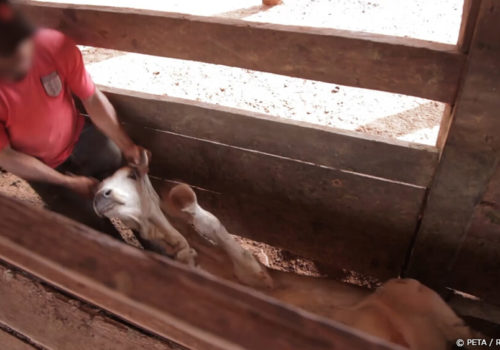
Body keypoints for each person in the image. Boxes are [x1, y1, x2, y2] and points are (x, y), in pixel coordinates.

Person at [0, 0, 148, 238]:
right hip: (37, 163)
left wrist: (126, 144)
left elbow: (92, 99)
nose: (21, 61)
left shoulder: (52, 45)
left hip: (81, 136)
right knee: (93, 233)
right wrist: (65, 183)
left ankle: (167, 259)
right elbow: (6, 155)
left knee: (138, 203)